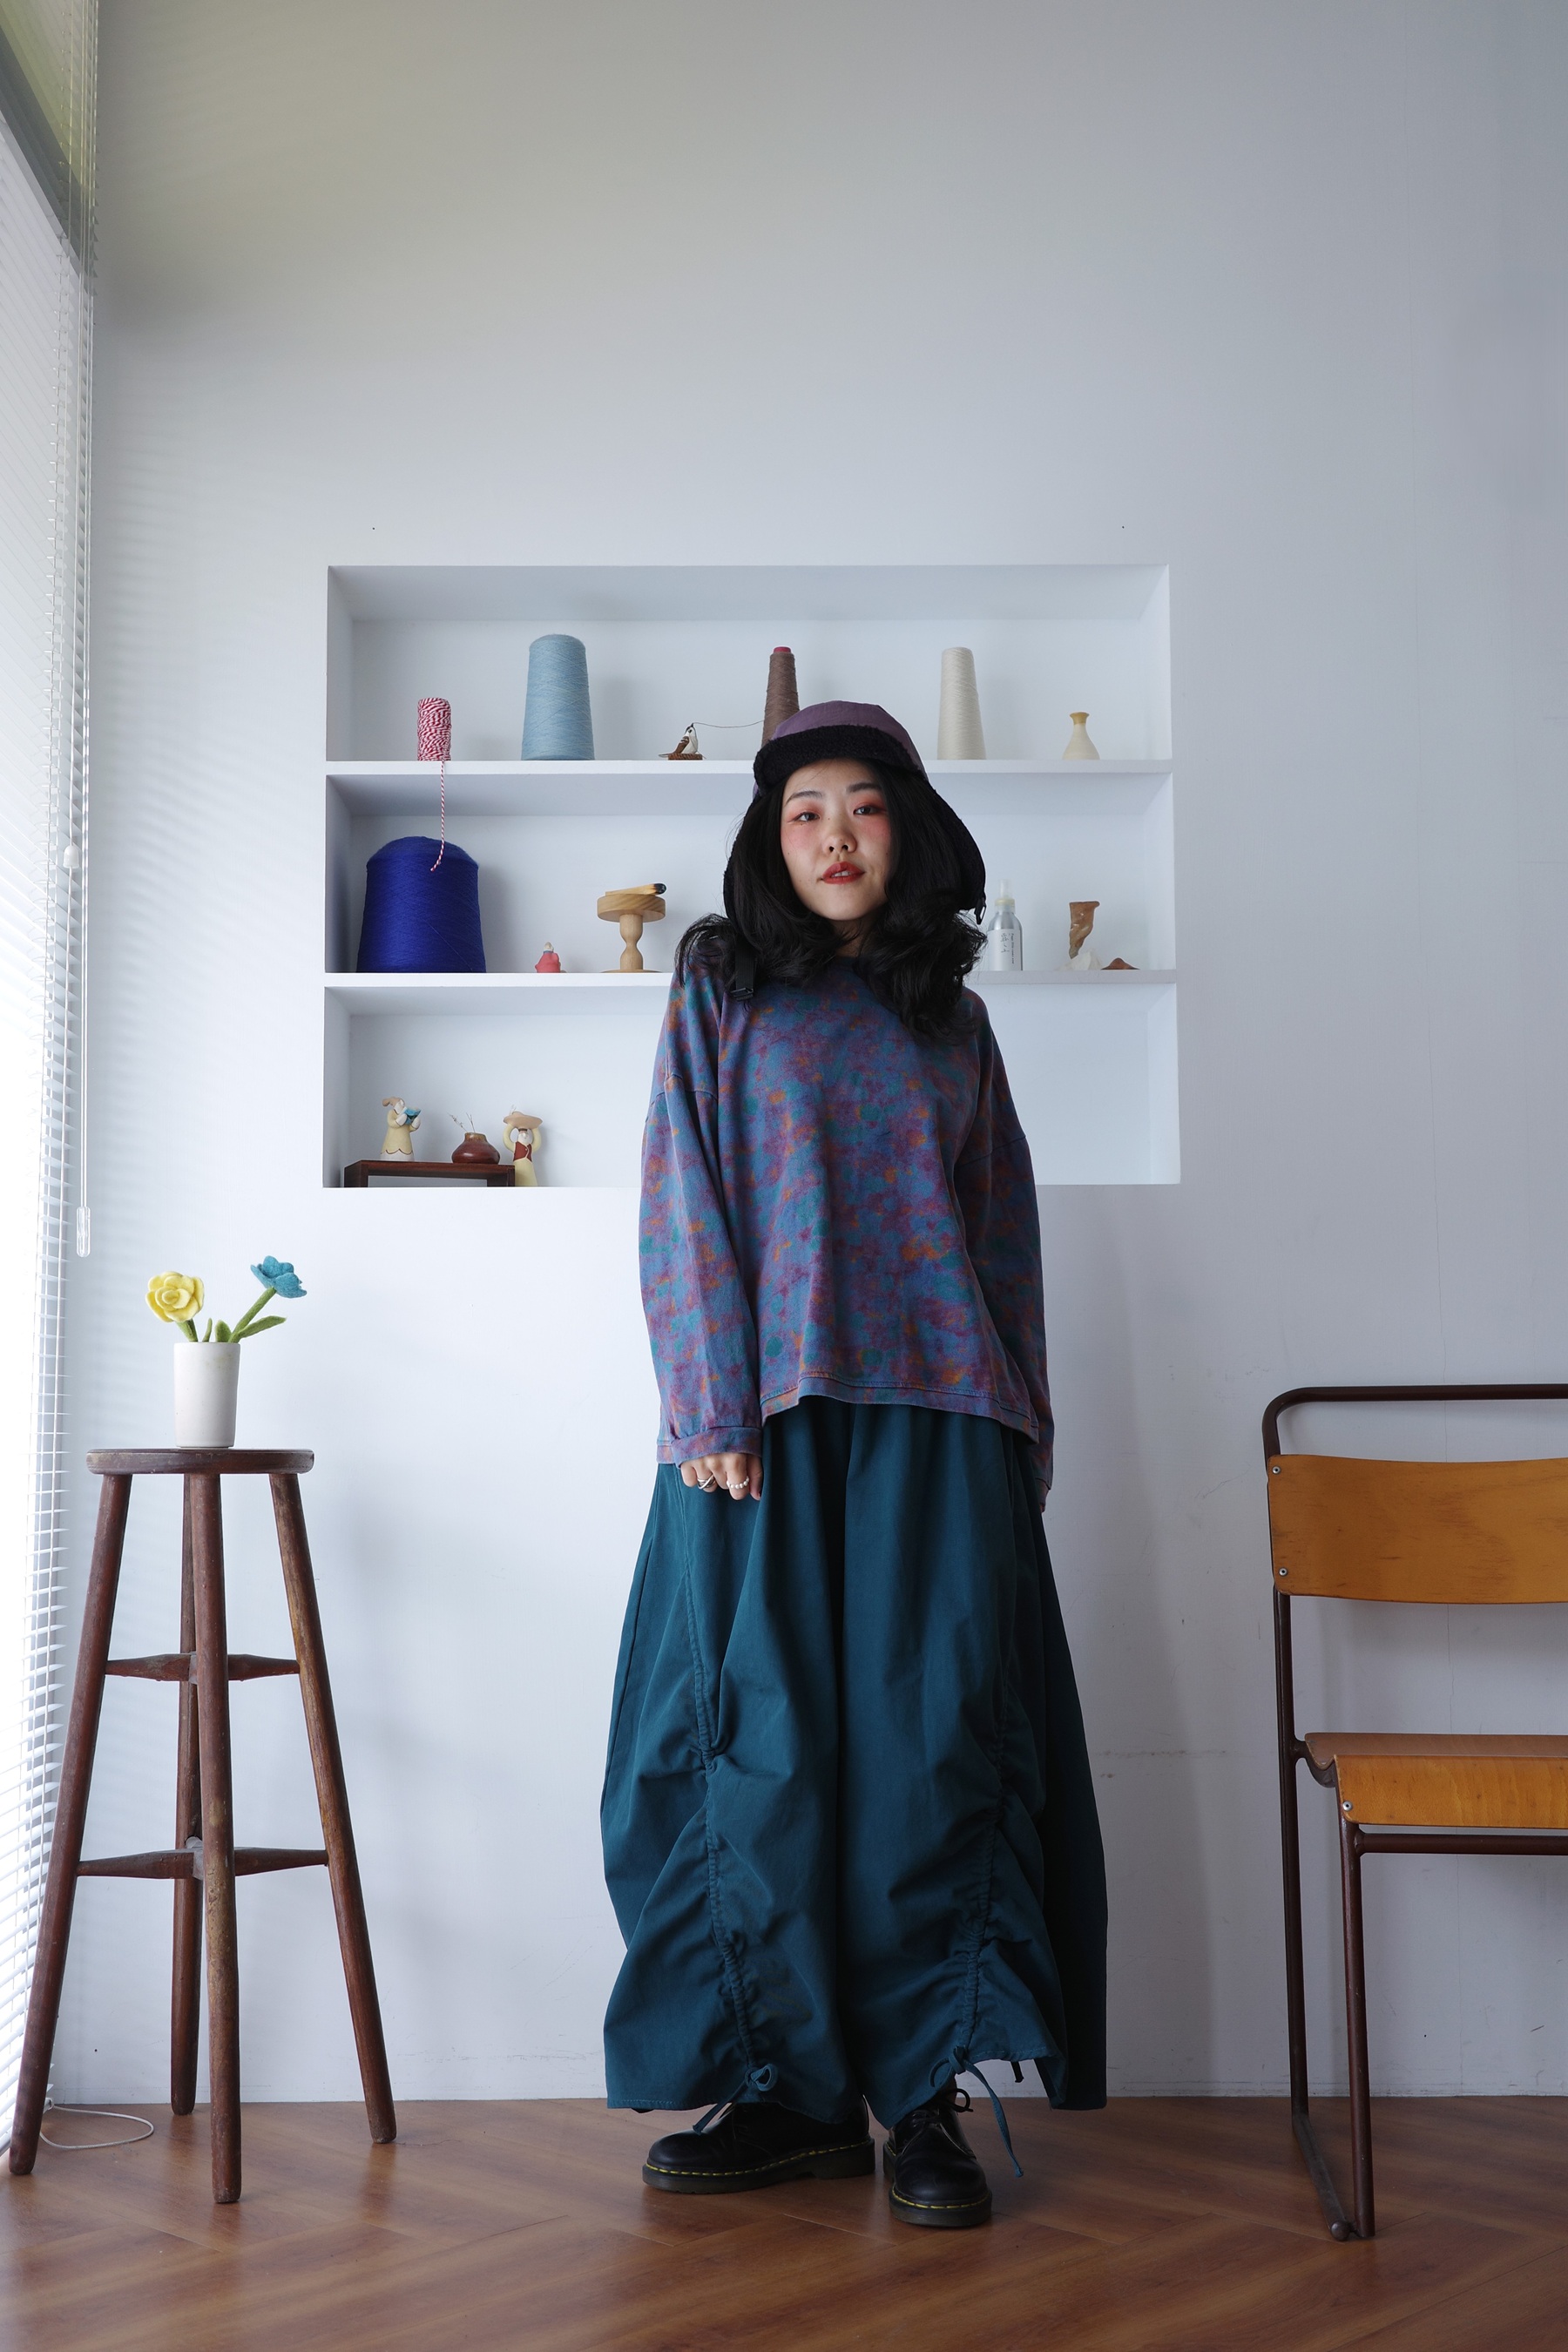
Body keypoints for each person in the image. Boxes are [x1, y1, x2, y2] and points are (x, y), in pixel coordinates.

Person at [600, 701, 1105, 2229]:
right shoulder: (721, 983)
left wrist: (1024, 1426)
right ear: (771, 837)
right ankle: (787, 2095)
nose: (834, 834)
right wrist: (708, 1405)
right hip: (758, 1429)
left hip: (944, 1424)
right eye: (805, 809)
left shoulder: (954, 1018)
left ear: (911, 832)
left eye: (865, 807)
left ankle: (923, 2098)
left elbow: (1003, 1231)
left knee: (930, 1754)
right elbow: (680, 1190)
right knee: (756, 1752)